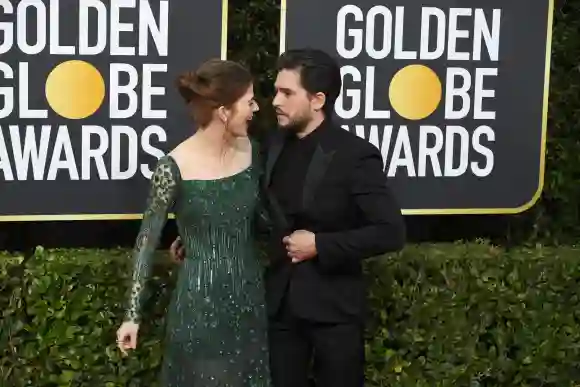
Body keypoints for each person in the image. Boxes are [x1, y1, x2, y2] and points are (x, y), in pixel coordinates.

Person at [171, 48, 406, 387]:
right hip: (278, 305)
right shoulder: (270, 146)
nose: (275, 101)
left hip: (334, 312)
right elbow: (255, 210)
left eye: (287, 93)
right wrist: (201, 232)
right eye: (276, 91)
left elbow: (390, 232)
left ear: (318, 99)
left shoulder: (355, 156)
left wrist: (320, 245)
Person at [116, 58, 272, 387]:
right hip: (198, 306)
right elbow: (146, 242)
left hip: (251, 301)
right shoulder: (173, 167)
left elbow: (263, 218)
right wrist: (131, 316)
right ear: (224, 111)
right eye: (249, 101)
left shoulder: (255, 153)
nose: (256, 109)